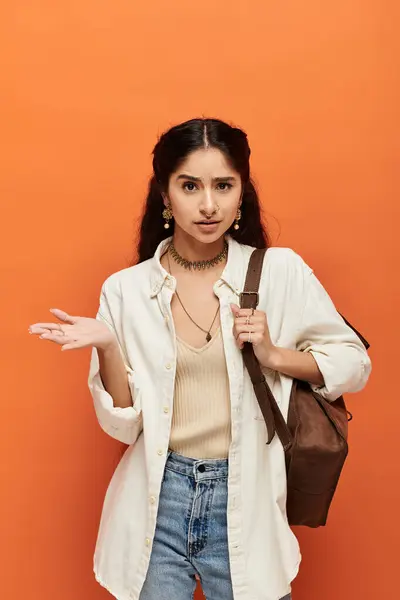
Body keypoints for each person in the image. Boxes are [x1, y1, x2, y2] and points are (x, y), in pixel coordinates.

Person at [28, 118, 372, 600]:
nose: (208, 204)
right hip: (158, 498)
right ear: (165, 196)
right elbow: (125, 427)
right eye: (190, 186)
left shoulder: (280, 272)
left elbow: (354, 363)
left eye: (223, 186)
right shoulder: (126, 291)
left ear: (241, 193)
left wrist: (275, 355)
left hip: (245, 494)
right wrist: (108, 344)